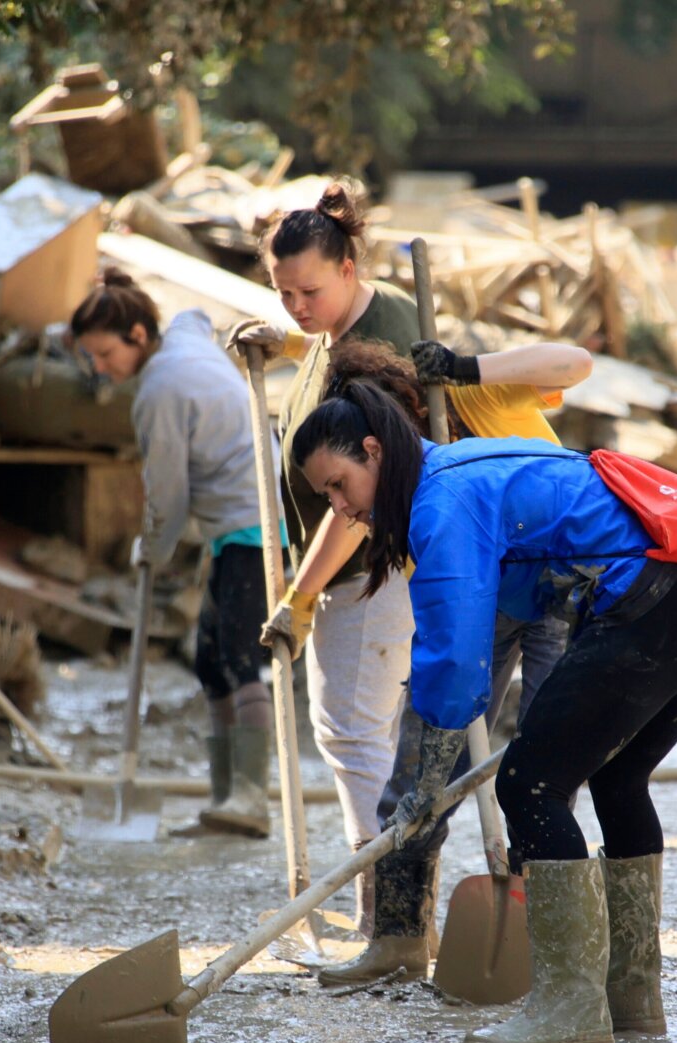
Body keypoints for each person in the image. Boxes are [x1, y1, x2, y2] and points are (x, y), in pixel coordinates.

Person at [289, 382, 677, 1043]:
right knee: (617, 784)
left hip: (653, 607)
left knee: (530, 785)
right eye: (325, 496)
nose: (341, 506)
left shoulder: (440, 503)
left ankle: (568, 1007)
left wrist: (426, 783)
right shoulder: (460, 468)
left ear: (372, 451)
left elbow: (454, 653)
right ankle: (631, 999)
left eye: (339, 484)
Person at [305, 336, 594, 985]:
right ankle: (398, 941)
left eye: (340, 487)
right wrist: (424, 785)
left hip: (567, 582)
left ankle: (541, 953)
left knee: (544, 771)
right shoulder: (410, 485)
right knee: (415, 765)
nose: (343, 505)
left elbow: (575, 361)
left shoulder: (442, 474)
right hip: (497, 579)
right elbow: (447, 661)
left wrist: (468, 368)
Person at [229, 181, 421, 932]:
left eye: (308, 290)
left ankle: (388, 916)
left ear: (347, 267)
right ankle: (393, 911)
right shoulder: (341, 331)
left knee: (356, 736)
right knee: (364, 737)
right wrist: (282, 346)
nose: (296, 307)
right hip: (364, 572)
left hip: (373, 570)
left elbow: (362, 500)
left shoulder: (379, 348)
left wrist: (300, 596)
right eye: (282, 294)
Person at [71, 269, 273, 837]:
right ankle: (225, 801)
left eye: (105, 354)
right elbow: (195, 316)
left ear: (137, 335)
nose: (99, 369)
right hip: (238, 525)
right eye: (91, 357)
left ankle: (251, 801)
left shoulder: (159, 391)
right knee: (211, 662)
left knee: (237, 658)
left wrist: (151, 551)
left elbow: (168, 495)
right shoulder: (183, 339)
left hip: (253, 525)